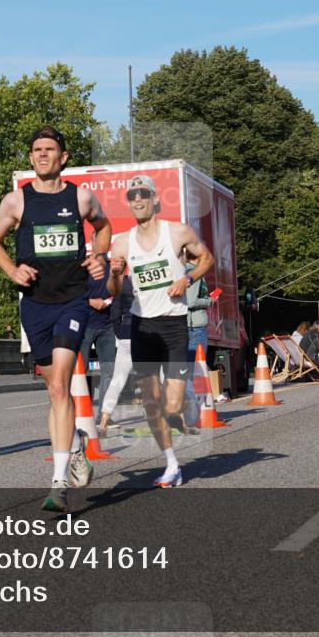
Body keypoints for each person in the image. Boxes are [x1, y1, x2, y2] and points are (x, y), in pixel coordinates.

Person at [0, 126, 111, 512]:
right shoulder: (16, 201)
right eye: (36, 150)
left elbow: (104, 227)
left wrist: (99, 256)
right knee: (52, 388)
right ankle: (74, 446)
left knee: (59, 387)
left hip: (72, 301)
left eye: (49, 149)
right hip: (35, 305)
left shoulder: (80, 197)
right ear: (30, 157)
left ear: (63, 157)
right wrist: (11, 270)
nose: (42, 155)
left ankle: (58, 483)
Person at [107, 173, 213, 488]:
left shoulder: (177, 232)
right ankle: (171, 464)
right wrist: (115, 275)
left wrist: (186, 279)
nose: (137, 200)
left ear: (155, 198)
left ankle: (186, 397)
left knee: (173, 405)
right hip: (141, 326)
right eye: (132, 196)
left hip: (173, 324)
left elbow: (206, 258)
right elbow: (114, 291)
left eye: (143, 194)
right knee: (152, 403)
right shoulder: (122, 242)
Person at [98, 276, 134, 436]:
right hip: (146, 332)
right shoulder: (150, 279)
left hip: (127, 332)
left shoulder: (122, 283)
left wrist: (121, 333)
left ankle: (104, 421)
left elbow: (114, 314)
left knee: (117, 380)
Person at [79, 272, 116, 416]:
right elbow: (69, 293)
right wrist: (90, 301)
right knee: (80, 372)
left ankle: (104, 416)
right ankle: (79, 414)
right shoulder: (82, 266)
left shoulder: (112, 266)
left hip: (107, 327)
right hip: (84, 326)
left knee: (109, 372)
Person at [182, 259, 212, 432]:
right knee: (195, 370)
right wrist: (209, 301)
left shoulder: (179, 270)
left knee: (186, 370)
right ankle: (192, 413)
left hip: (184, 325)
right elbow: (192, 301)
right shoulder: (194, 273)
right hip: (195, 326)